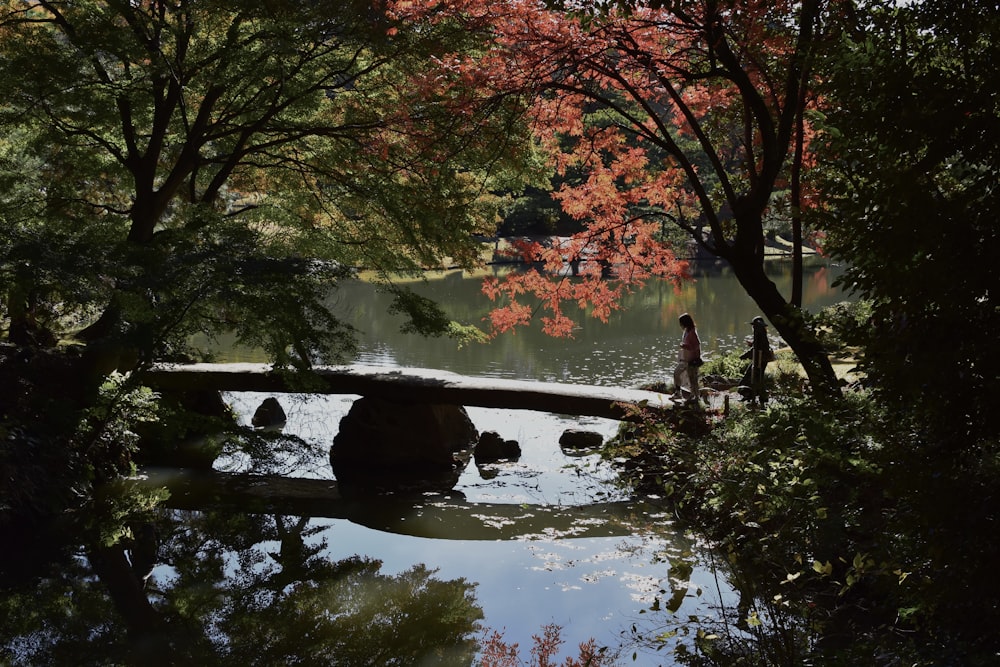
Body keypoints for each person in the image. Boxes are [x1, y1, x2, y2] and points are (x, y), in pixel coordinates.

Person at [739, 316, 773, 405]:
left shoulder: (760, 334)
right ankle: (759, 396)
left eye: (754, 326)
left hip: (760, 360)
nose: (753, 327)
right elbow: (757, 346)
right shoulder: (761, 334)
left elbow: (757, 349)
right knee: (756, 377)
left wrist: (744, 356)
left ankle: (752, 395)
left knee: (752, 377)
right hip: (760, 359)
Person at [672, 312, 702, 404]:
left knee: (693, 379)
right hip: (684, 359)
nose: (680, 325)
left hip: (691, 360)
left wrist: (685, 346)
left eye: (681, 323)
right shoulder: (686, 331)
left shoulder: (692, 332)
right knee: (676, 373)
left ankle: (696, 398)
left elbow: (696, 345)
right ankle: (678, 392)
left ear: (685, 322)